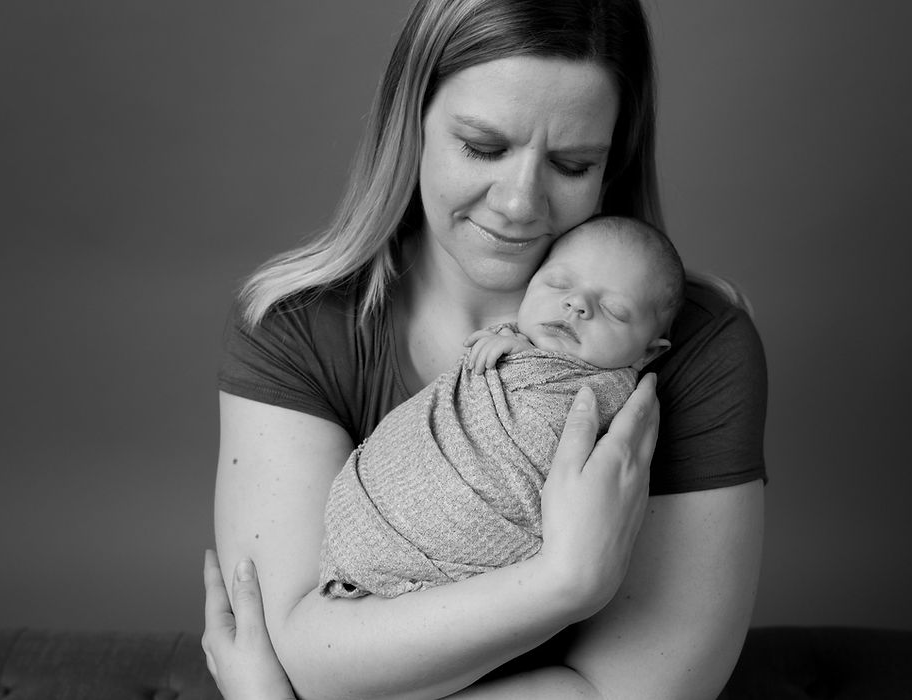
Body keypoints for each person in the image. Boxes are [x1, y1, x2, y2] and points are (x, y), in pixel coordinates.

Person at [204, 0, 767, 698]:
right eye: (483, 146)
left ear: (611, 160)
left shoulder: (696, 348)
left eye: (571, 163)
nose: (520, 203)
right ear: (409, 126)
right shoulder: (292, 328)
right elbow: (312, 656)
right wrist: (561, 582)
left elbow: (631, 695)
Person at [320, 216, 683, 599]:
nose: (577, 303)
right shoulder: (508, 340)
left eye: (614, 310)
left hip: (476, 539)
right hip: (378, 497)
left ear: (647, 352)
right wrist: (509, 349)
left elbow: (578, 439)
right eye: (558, 283)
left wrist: (524, 362)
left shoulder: (619, 394)